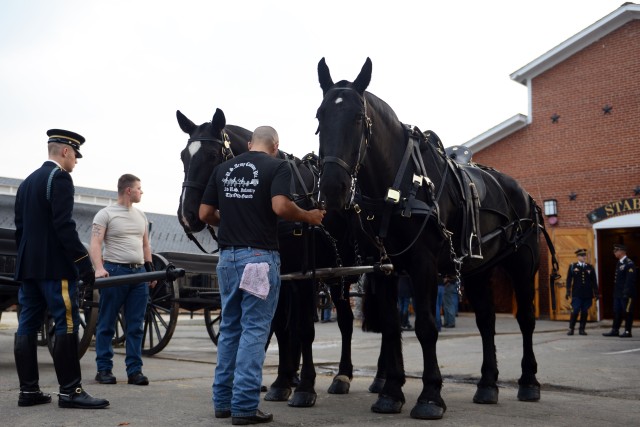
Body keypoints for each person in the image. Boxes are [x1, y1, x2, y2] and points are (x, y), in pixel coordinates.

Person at [199, 126, 325, 425]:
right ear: (275, 145)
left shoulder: (224, 169)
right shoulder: (278, 165)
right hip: (258, 258)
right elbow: (280, 206)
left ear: (251, 143)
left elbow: (204, 213)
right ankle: (244, 406)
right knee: (255, 330)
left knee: (230, 329)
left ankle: (223, 402)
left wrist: (230, 223)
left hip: (227, 258)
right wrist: (309, 216)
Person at [13, 129, 109, 409]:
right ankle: (70, 391)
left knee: (27, 326)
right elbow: (64, 226)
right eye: (75, 156)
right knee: (66, 323)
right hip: (55, 269)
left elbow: (21, 230)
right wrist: (84, 264)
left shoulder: (27, 182)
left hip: (28, 269)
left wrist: (26, 262)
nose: (76, 162)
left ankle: (28, 391)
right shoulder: (61, 178)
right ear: (65, 151)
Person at [90, 174, 157, 385]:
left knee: (136, 325)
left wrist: (150, 270)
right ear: (129, 190)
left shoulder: (141, 216)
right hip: (114, 272)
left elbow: (146, 245)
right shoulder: (105, 214)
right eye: (139, 188)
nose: (141, 192)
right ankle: (104, 370)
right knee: (107, 322)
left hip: (138, 275)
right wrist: (99, 268)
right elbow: (95, 243)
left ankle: (134, 371)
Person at [603, 243, 636, 338]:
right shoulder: (619, 262)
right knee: (617, 311)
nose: (614, 252)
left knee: (627, 312)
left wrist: (626, 292)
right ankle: (615, 330)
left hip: (626, 294)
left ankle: (627, 331)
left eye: (616, 251)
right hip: (618, 293)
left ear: (621, 251)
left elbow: (630, 280)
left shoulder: (629, 263)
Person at [565, 249, 598, 336]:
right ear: (578, 257)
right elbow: (569, 280)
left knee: (584, 312)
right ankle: (571, 328)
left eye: (585, 255)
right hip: (577, 293)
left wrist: (596, 293)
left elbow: (594, 281)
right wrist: (568, 291)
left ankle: (582, 329)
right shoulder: (573, 266)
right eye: (582, 256)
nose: (584, 257)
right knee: (575, 311)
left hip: (587, 293)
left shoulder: (590, 267)